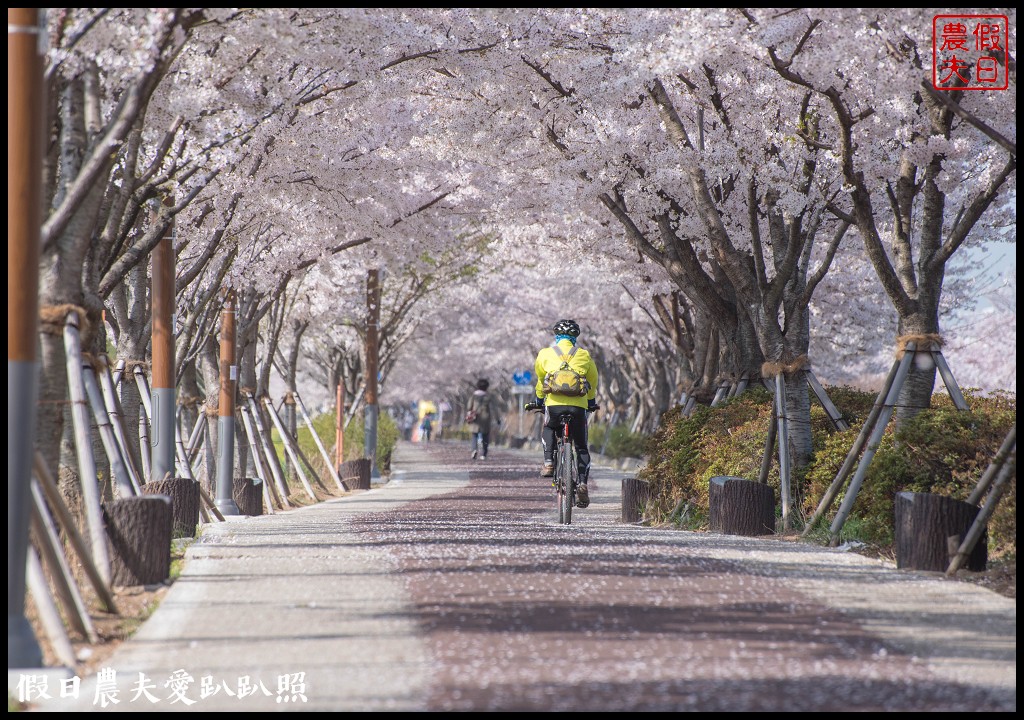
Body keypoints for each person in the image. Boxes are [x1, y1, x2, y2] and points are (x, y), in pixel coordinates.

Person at [532, 319, 599, 508]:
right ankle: (583, 483)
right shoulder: (584, 355)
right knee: (582, 447)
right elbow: (592, 381)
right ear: (575, 337)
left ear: (556, 336)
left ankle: (548, 462)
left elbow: (540, 380)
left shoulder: (545, 354)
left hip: (554, 406)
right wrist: (591, 402)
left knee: (548, 427)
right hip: (578, 407)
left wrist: (538, 400)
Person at [466, 378, 496, 459]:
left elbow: (469, 406)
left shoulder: (473, 396)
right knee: (485, 436)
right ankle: (484, 453)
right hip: (485, 417)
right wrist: (497, 419)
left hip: (476, 417)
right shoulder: (489, 397)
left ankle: (474, 450)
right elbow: (494, 408)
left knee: (474, 435)